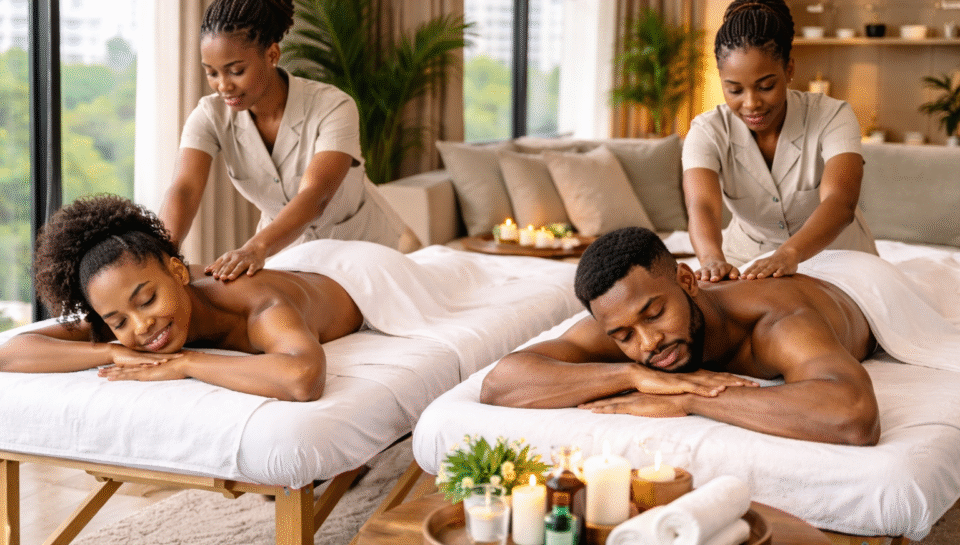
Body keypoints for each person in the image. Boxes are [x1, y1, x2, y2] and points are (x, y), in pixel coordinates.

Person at [480, 227, 881, 446]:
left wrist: (687, 395)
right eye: (623, 336)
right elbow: (501, 383)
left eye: (655, 314)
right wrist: (632, 377)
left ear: (687, 280)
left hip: (864, 285)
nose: (648, 343)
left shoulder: (778, 322)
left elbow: (853, 414)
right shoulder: (629, 326)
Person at [0, 195, 364, 402]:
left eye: (147, 300)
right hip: (296, 268)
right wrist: (110, 350)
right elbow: (10, 353)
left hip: (355, 275)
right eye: (119, 322)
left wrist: (186, 363)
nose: (141, 325)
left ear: (177, 272)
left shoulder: (260, 305)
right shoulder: (126, 316)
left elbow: (303, 378)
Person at [160, 0, 414, 283]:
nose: (224, 85)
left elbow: (315, 195)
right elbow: (184, 189)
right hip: (286, 251)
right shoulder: (210, 116)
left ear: (271, 54)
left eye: (236, 71)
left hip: (361, 244)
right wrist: (160, 254)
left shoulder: (333, 106)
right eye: (212, 72)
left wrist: (255, 247)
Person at [682, 0, 876, 283]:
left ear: (789, 69)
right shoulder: (707, 131)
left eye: (766, 86)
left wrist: (790, 253)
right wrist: (712, 258)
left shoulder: (832, 115)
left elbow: (840, 201)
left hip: (837, 256)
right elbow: (703, 205)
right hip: (745, 259)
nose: (751, 104)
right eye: (734, 89)